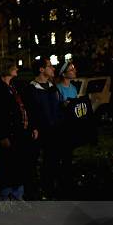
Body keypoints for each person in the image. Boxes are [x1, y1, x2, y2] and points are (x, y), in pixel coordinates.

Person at [0, 57, 38, 200]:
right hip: (8, 136)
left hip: (18, 135)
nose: (17, 69)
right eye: (14, 66)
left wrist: (30, 126)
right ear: (6, 69)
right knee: (7, 169)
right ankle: (6, 199)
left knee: (18, 167)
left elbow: (22, 108)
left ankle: (17, 197)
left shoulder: (12, 87)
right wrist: (2, 136)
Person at [24, 57, 65, 199]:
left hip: (54, 131)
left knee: (52, 159)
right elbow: (29, 111)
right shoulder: (30, 89)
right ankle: (32, 190)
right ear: (41, 69)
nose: (53, 69)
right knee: (32, 161)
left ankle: (48, 186)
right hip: (38, 131)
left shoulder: (53, 88)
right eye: (50, 66)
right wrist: (33, 127)